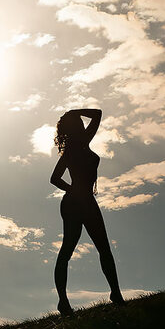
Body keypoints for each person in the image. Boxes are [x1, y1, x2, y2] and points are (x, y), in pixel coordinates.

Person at [50, 108, 125, 317]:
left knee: (103, 248)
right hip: (75, 203)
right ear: (75, 127)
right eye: (78, 121)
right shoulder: (74, 148)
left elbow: (98, 113)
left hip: (86, 201)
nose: (83, 123)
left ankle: (116, 294)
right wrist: (73, 190)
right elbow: (54, 178)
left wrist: (74, 112)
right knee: (68, 250)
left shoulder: (83, 142)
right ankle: (63, 301)